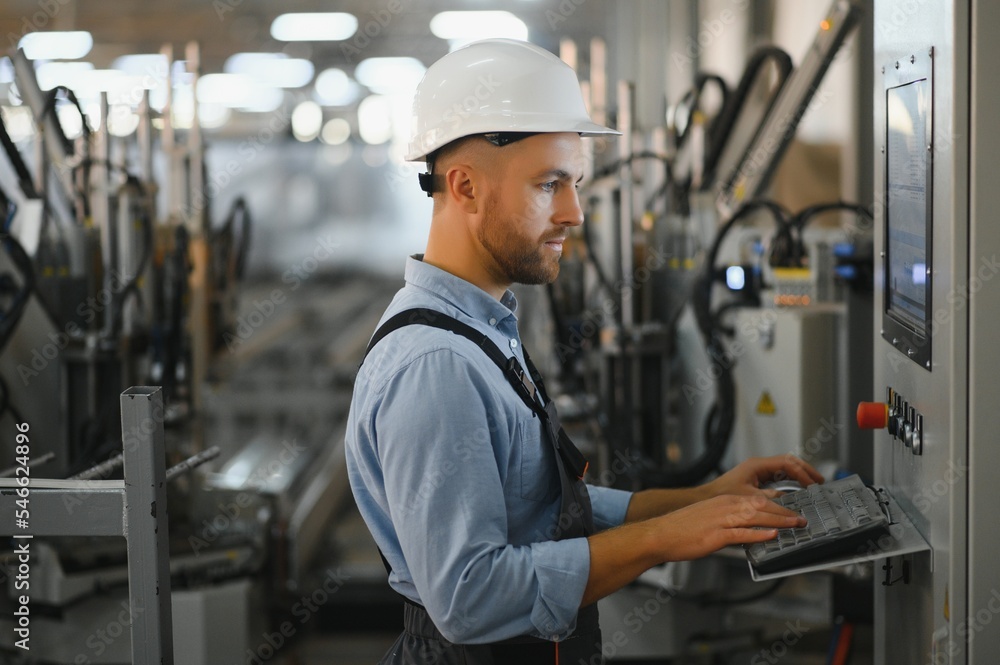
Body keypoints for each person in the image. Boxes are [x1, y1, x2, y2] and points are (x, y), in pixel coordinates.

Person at [345, 38, 823, 665]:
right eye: (549, 185)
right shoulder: (438, 367)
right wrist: (661, 540)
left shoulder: (482, 330)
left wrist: (699, 501)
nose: (573, 213)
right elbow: (471, 598)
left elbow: (537, 503)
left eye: (574, 184)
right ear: (464, 186)